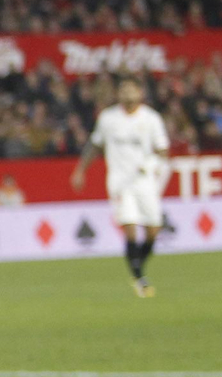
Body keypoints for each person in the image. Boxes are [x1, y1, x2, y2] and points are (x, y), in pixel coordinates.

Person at [71, 76, 170, 297]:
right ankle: (139, 279)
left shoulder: (151, 119)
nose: (127, 93)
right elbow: (95, 145)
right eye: (123, 89)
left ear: (140, 93)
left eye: (131, 88)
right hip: (120, 181)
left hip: (144, 181)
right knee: (130, 225)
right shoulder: (108, 118)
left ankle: (137, 267)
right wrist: (80, 171)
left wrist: (151, 164)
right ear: (118, 95)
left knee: (153, 229)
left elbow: (163, 150)